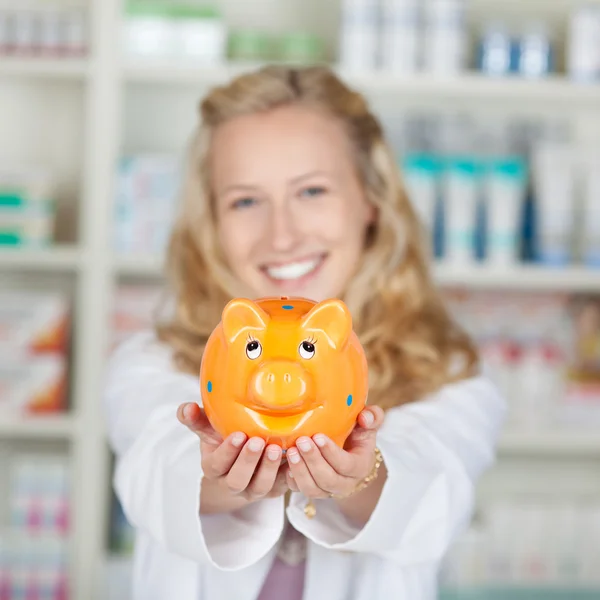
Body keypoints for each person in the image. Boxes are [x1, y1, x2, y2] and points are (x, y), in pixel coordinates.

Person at [103, 65, 506, 600]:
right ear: (212, 223)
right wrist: (222, 480)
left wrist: (360, 475)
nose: (283, 234)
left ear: (370, 202)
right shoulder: (151, 363)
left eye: (311, 191)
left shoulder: (450, 375)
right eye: (245, 201)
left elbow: (435, 499)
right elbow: (153, 474)